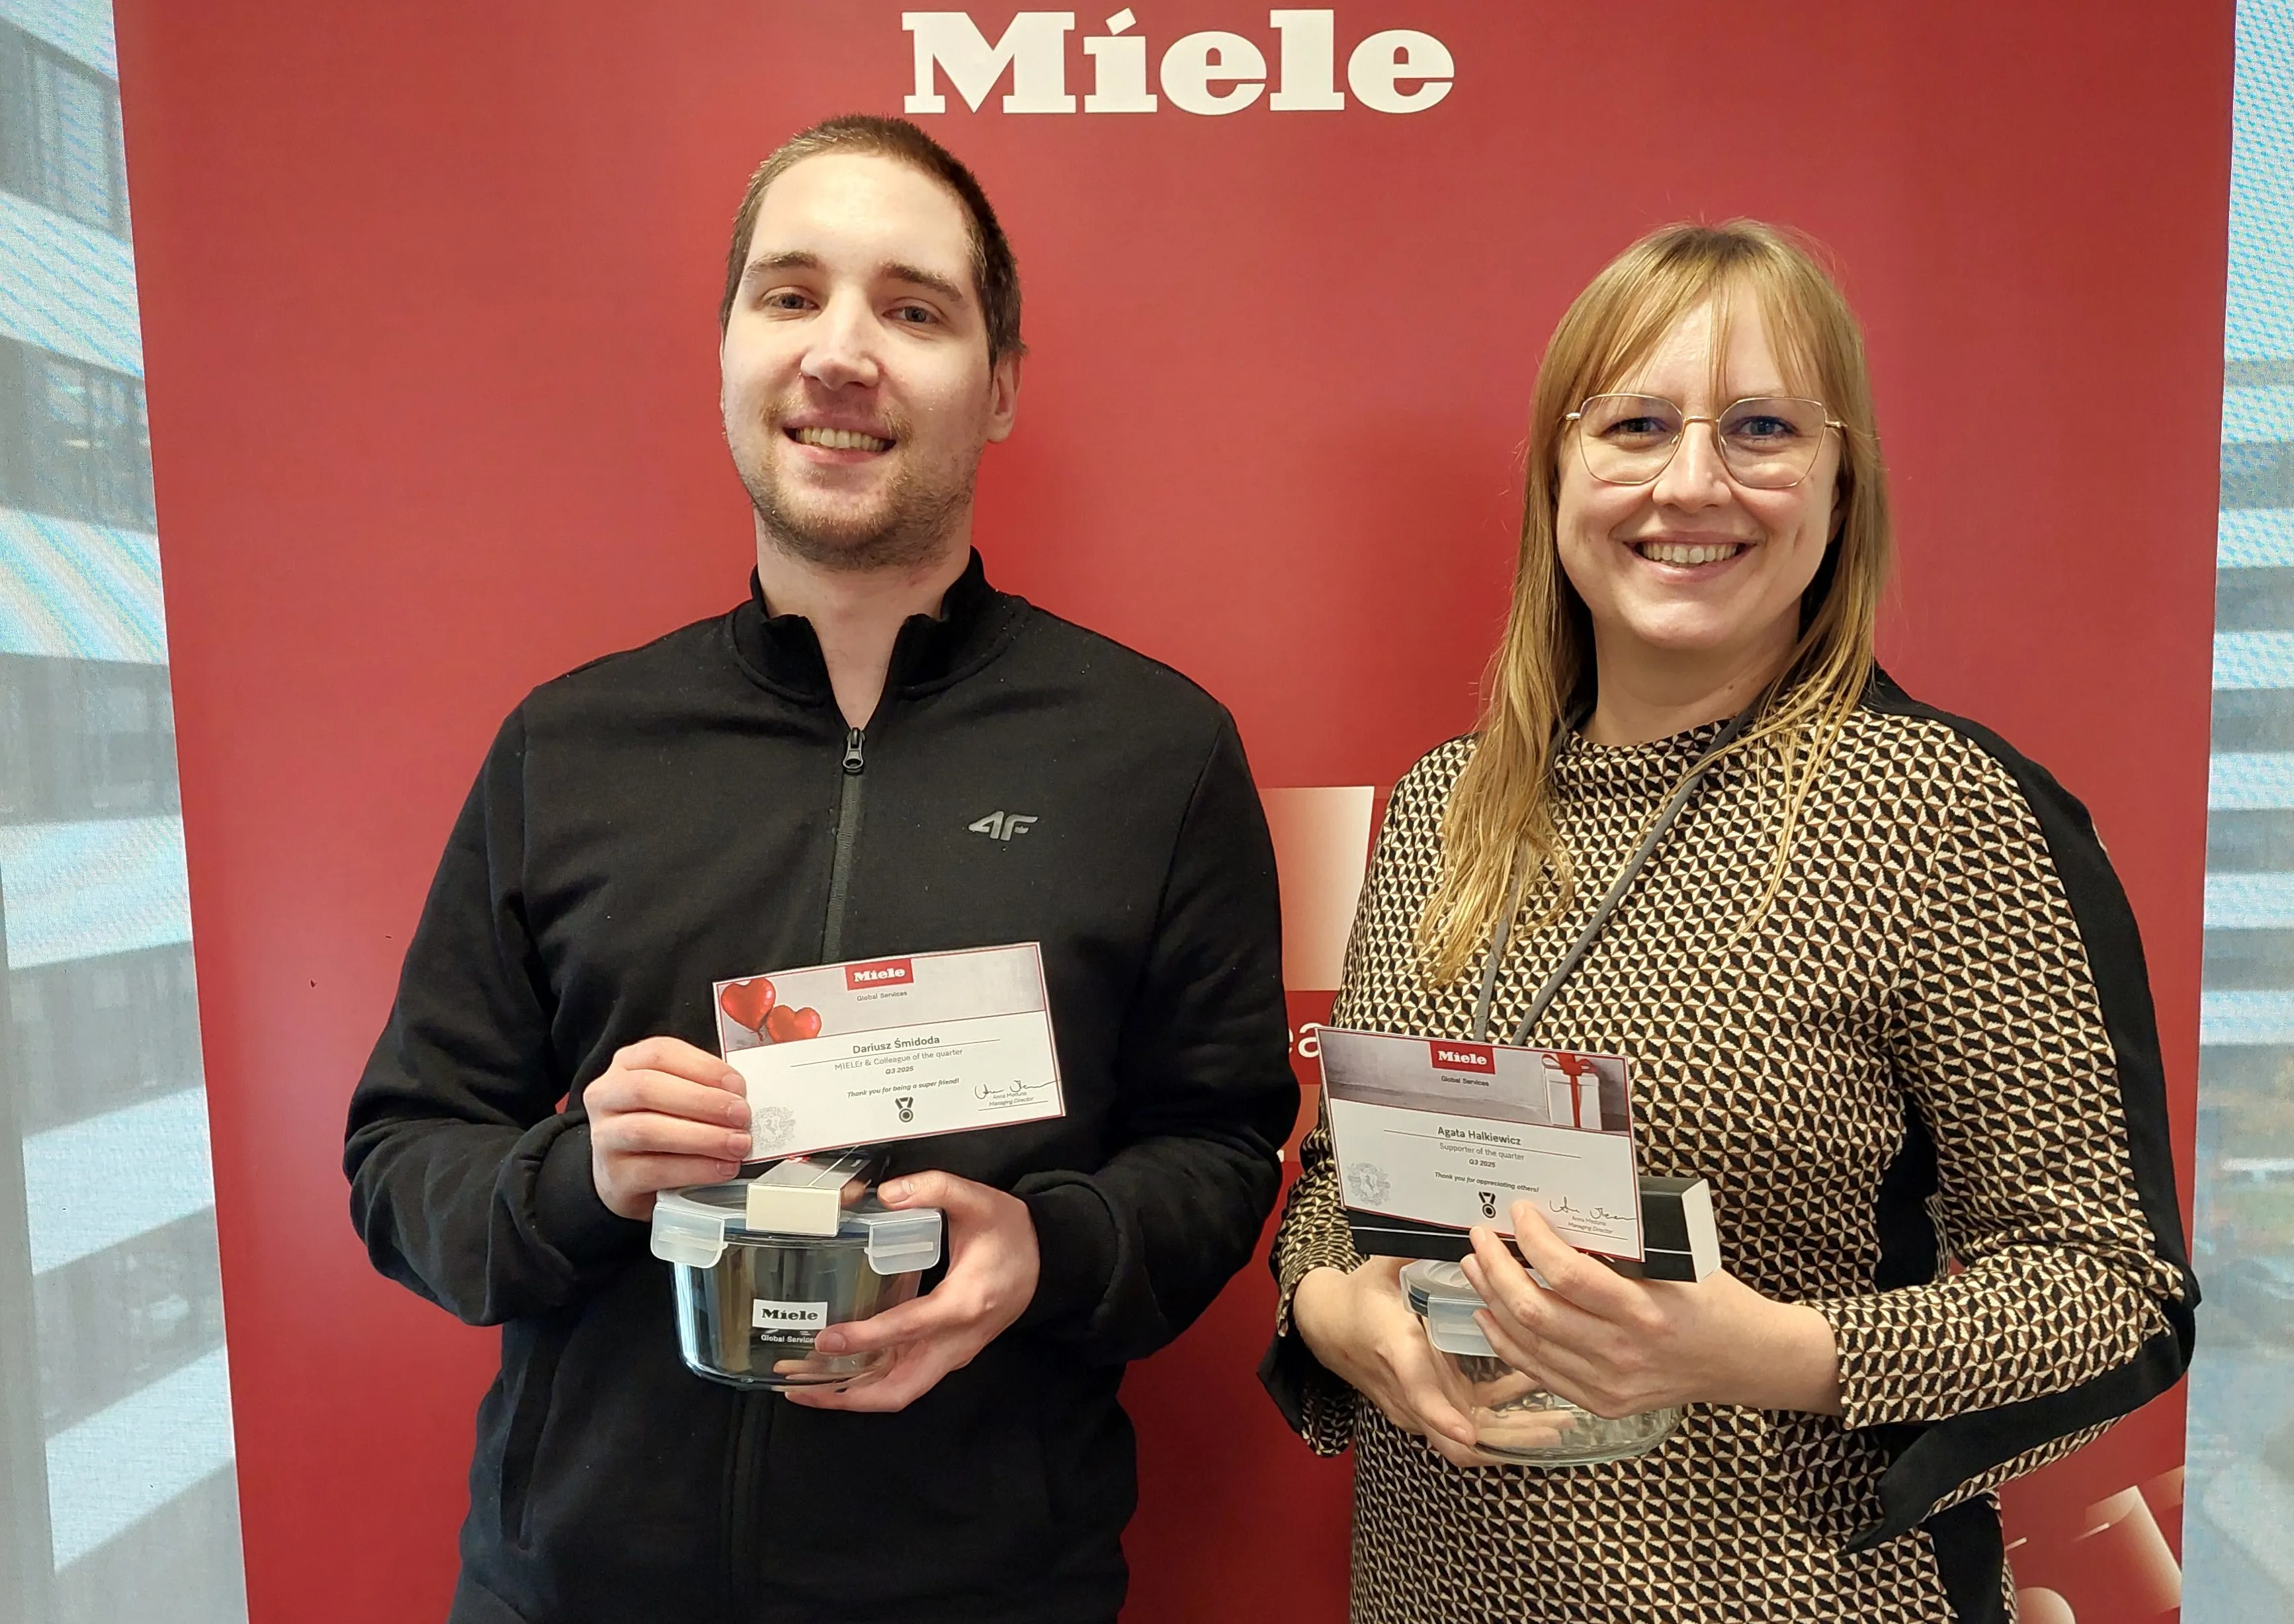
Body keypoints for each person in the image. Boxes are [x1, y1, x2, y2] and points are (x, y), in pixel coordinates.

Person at [344, 113, 1296, 1624]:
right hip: (578, 1589)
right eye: (790, 296)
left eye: (913, 308)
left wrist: (1045, 1249)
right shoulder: (569, 744)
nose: (841, 352)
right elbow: (403, 1158)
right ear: (726, 350)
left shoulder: (1155, 751)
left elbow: (1223, 1144)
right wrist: (576, 1173)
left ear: (1000, 387)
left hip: (988, 1590)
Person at [1263, 221, 2195, 1624]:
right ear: (1559, 477)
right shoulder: (1445, 808)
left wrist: (1766, 1353)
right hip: (1433, 1588)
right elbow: (1344, 1176)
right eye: (1635, 424)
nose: (1689, 481)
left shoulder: (1949, 813)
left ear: (1841, 481)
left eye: (1760, 426)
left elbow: (2117, 1298)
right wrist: (1337, 1311)